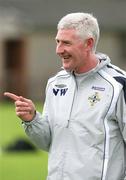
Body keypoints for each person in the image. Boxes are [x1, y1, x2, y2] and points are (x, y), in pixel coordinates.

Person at [4, 12, 126, 180]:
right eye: (58, 41)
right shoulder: (55, 83)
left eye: (66, 43)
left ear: (88, 44)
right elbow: (48, 142)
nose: (59, 50)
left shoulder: (118, 85)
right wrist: (32, 119)